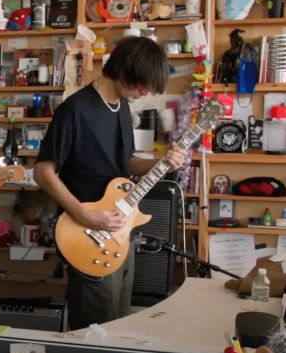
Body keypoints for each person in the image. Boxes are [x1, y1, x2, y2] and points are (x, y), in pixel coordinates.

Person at [34, 36, 186, 330]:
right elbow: (43, 171)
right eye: (141, 84)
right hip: (87, 233)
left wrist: (161, 161)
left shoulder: (121, 108)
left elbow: (124, 164)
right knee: (94, 332)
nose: (144, 92)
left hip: (120, 232)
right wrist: (83, 213)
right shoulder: (75, 110)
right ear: (123, 69)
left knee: (118, 325)